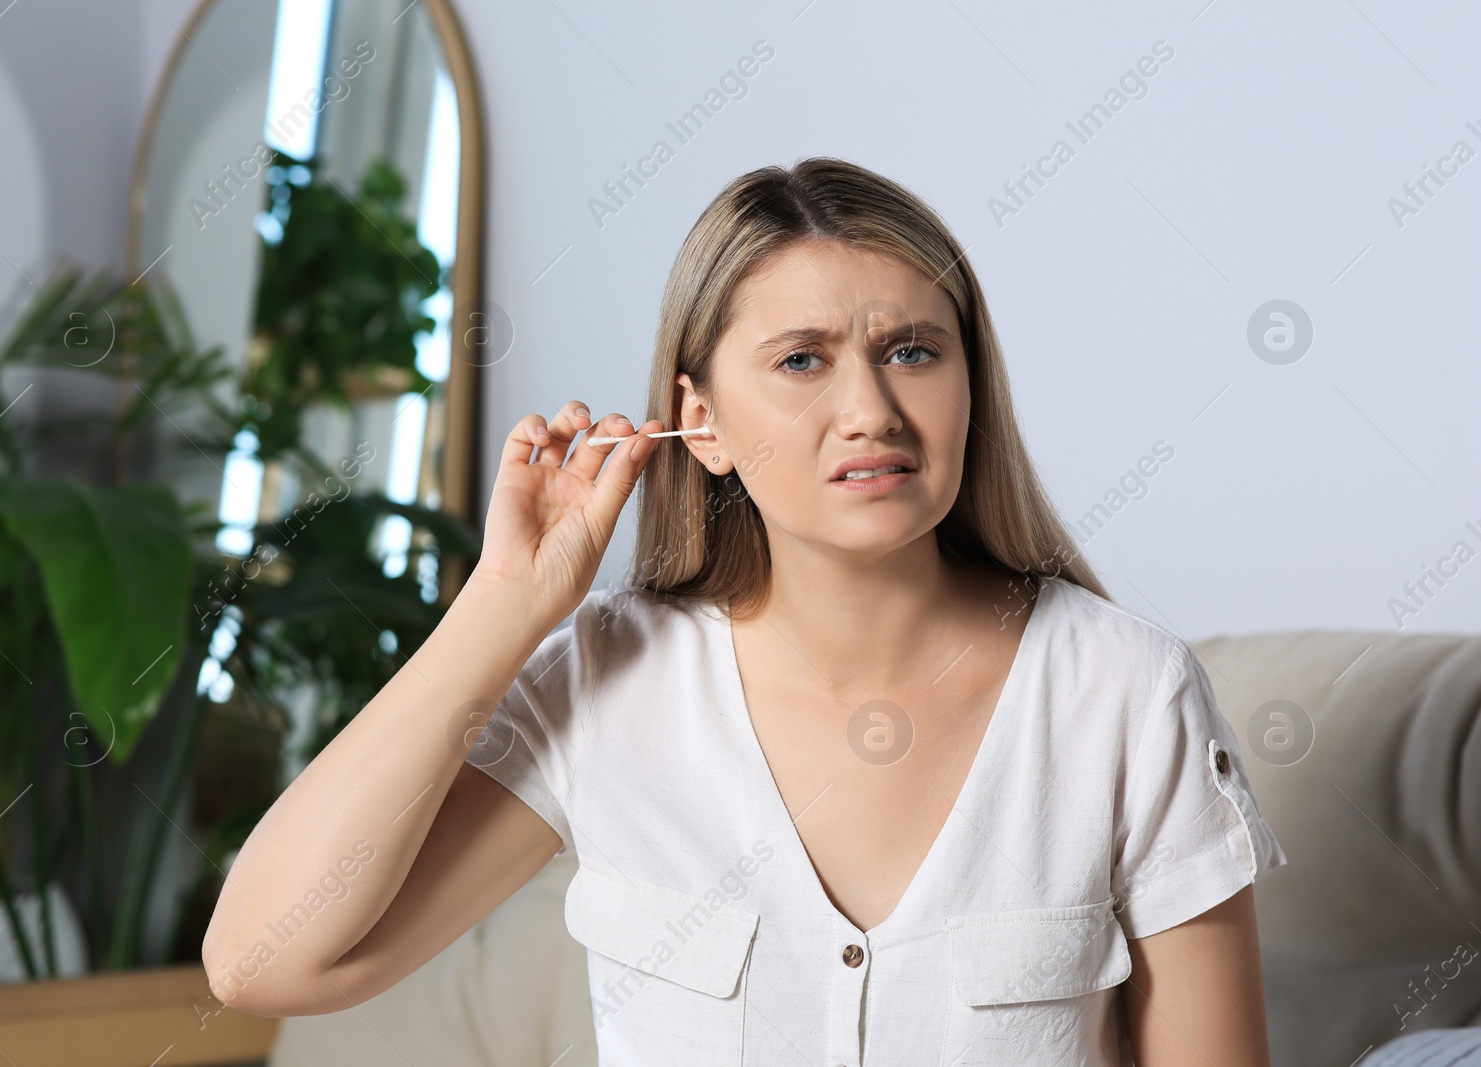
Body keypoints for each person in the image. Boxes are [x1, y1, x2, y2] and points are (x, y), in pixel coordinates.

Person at [203, 157, 1286, 1065]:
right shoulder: (605, 681)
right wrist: (503, 605)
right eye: (801, 360)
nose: (869, 409)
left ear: (969, 385)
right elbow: (264, 959)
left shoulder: (1123, 691)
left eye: (912, 349)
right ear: (699, 421)